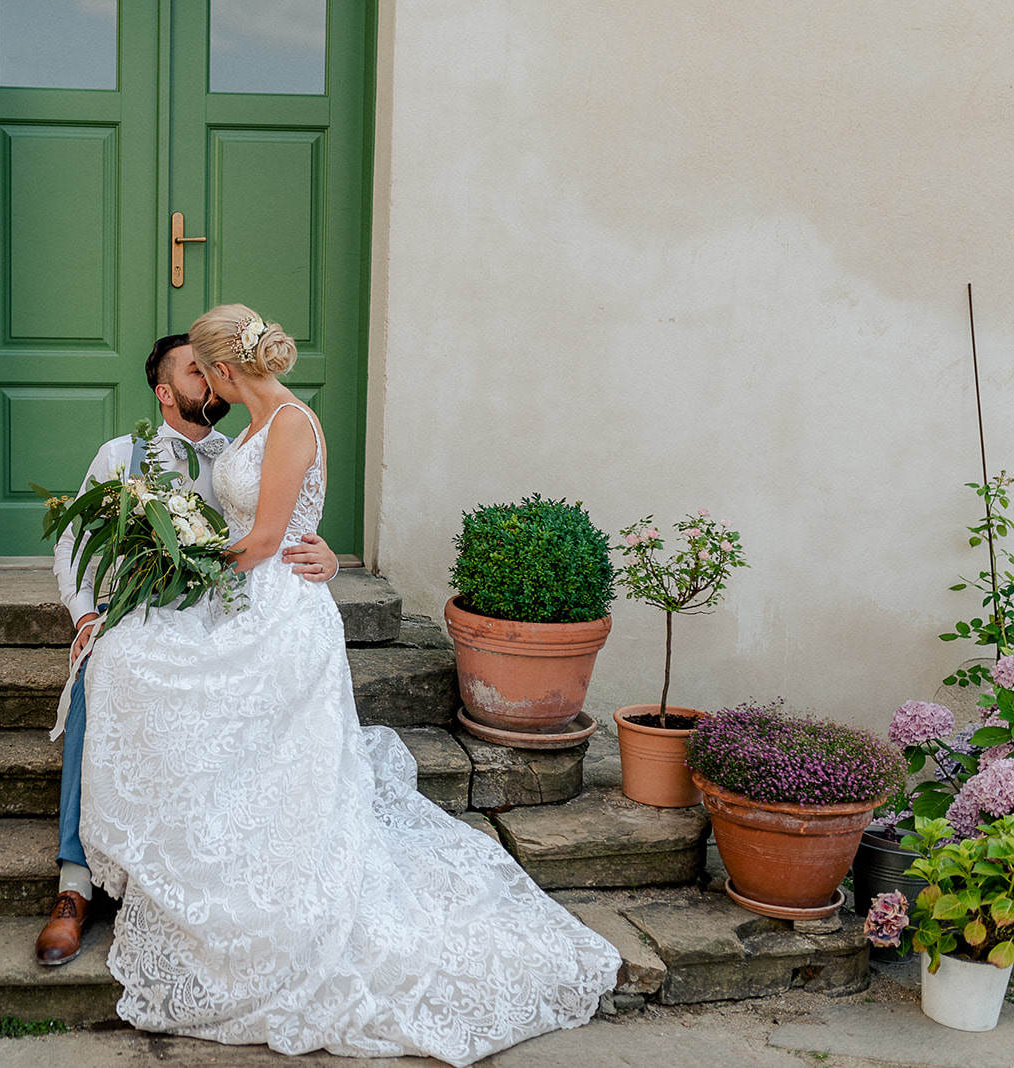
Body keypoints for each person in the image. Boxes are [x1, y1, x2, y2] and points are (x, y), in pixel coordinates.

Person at [75, 305, 620, 1065]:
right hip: (247, 596)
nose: (207, 384)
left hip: (277, 609)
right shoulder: (254, 427)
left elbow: (266, 540)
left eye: (207, 370)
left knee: (174, 683)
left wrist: (179, 567)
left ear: (224, 370)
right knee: (129, 656)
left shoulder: (291, 423)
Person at [37, 332, 340, 966]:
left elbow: (277, 524)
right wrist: (86, 614)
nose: (211, 379)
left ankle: (191, 866)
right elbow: (73, 543)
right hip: (142, 609)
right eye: (195, 372)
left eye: (211, 369)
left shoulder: (243, 449)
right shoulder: (121, 454)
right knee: (104, 667)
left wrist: (325, 555)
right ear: (165, 392)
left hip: (222, 611)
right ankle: (74, 883)